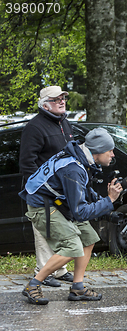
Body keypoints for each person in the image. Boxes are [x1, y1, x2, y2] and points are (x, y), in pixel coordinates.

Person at [19, 128, 123, 305]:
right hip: (41, 206)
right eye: (110, 150)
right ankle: (33, 284)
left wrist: (106, 203)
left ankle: (78, 287)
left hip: (58, 202)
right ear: (97, 150)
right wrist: (109, 200)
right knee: (72, 246)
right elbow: (80, 212)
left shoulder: (80, 158)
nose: (113, 155)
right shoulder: (73, 168)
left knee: (88, 238)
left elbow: (83, 191)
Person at [19, 86, 75, 288]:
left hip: (62, 188)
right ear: (45, 105)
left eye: (63, 98)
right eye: (56, 99)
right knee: (44, 231)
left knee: (61, 228)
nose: (62, 101)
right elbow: (27, 163)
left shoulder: (65, 123)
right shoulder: (34, 127)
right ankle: (43, 270)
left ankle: (59, 270)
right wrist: (41, 185)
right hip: (41, 190)